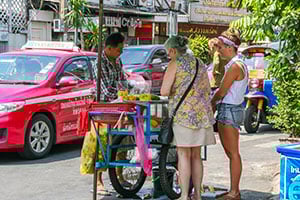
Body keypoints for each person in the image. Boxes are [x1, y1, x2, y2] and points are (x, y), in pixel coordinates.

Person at [161, 35, 216, 200]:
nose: (168, 55)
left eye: (168, 52)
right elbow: (207, 88)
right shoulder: (200, 62)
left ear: (172, 50)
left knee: (183, 154)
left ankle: (184, 196)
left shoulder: (174, 64)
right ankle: (198, 195)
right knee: (196, 155)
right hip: (201, 115)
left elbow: (164, 91)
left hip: (183, 115)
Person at [83, 32, 130, 196]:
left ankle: (119, 175)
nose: (121, 52)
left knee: (124, 138)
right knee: (101, 141)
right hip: (102, 108)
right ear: (109, 48)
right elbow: (104, 91)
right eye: (119, 50)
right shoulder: (99, 63)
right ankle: (98, 180)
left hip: (118, 107)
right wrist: (121, 91)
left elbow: (123, 81)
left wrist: (126, 90)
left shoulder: (118, 60)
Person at [211, 29, 248, 200]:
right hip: (232, 108)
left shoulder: (235, 66)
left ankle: (234, 192)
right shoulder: (239, 64)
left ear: (229, 48)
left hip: (229, 109)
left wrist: (211, 101)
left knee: (233, 153)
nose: (218, 50)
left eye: (221, 47)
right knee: (231, 153)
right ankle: (233, 190)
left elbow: (222, 91)